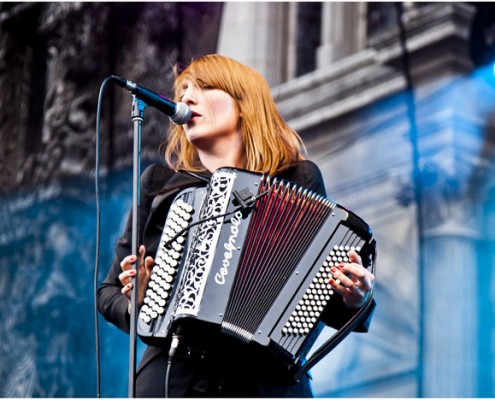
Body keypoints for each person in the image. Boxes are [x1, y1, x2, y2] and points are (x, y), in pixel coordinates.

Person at [97, 54, 376, 398]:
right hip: (173, 381)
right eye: (183, 91)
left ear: (244, 105)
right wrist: (140, 302)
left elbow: (314, 294)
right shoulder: (160, 185)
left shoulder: (295, 179)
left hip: (262, 383)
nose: (186, 98)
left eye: (205, 87)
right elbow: (108, 292)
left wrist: (355, 297)